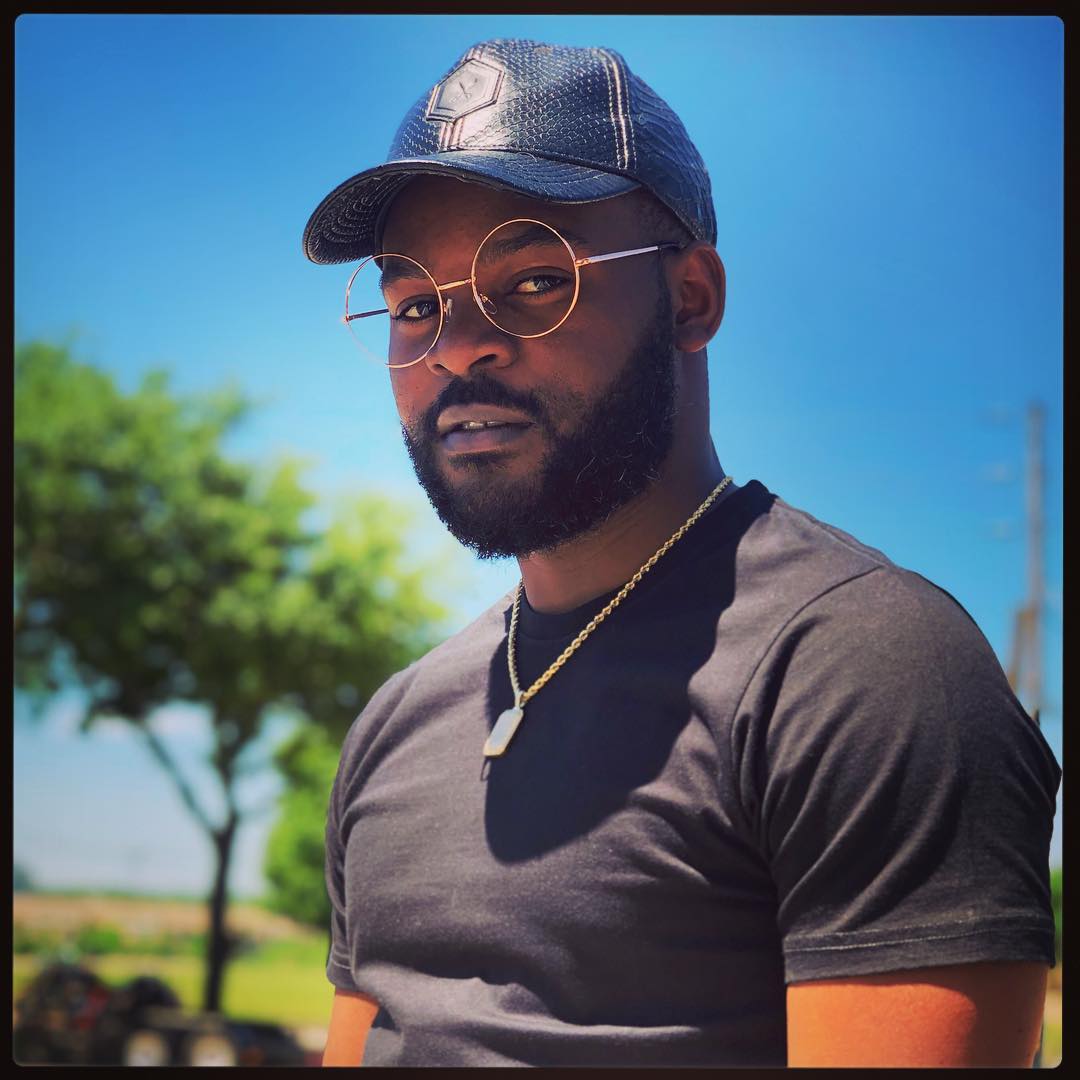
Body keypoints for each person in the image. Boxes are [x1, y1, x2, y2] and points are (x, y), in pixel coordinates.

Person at [303, 38, 1060, 1068]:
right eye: (414, 306)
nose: (459, 344)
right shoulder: (396, 723)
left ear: (691, 299)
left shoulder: (865, 675)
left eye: (534, 281)